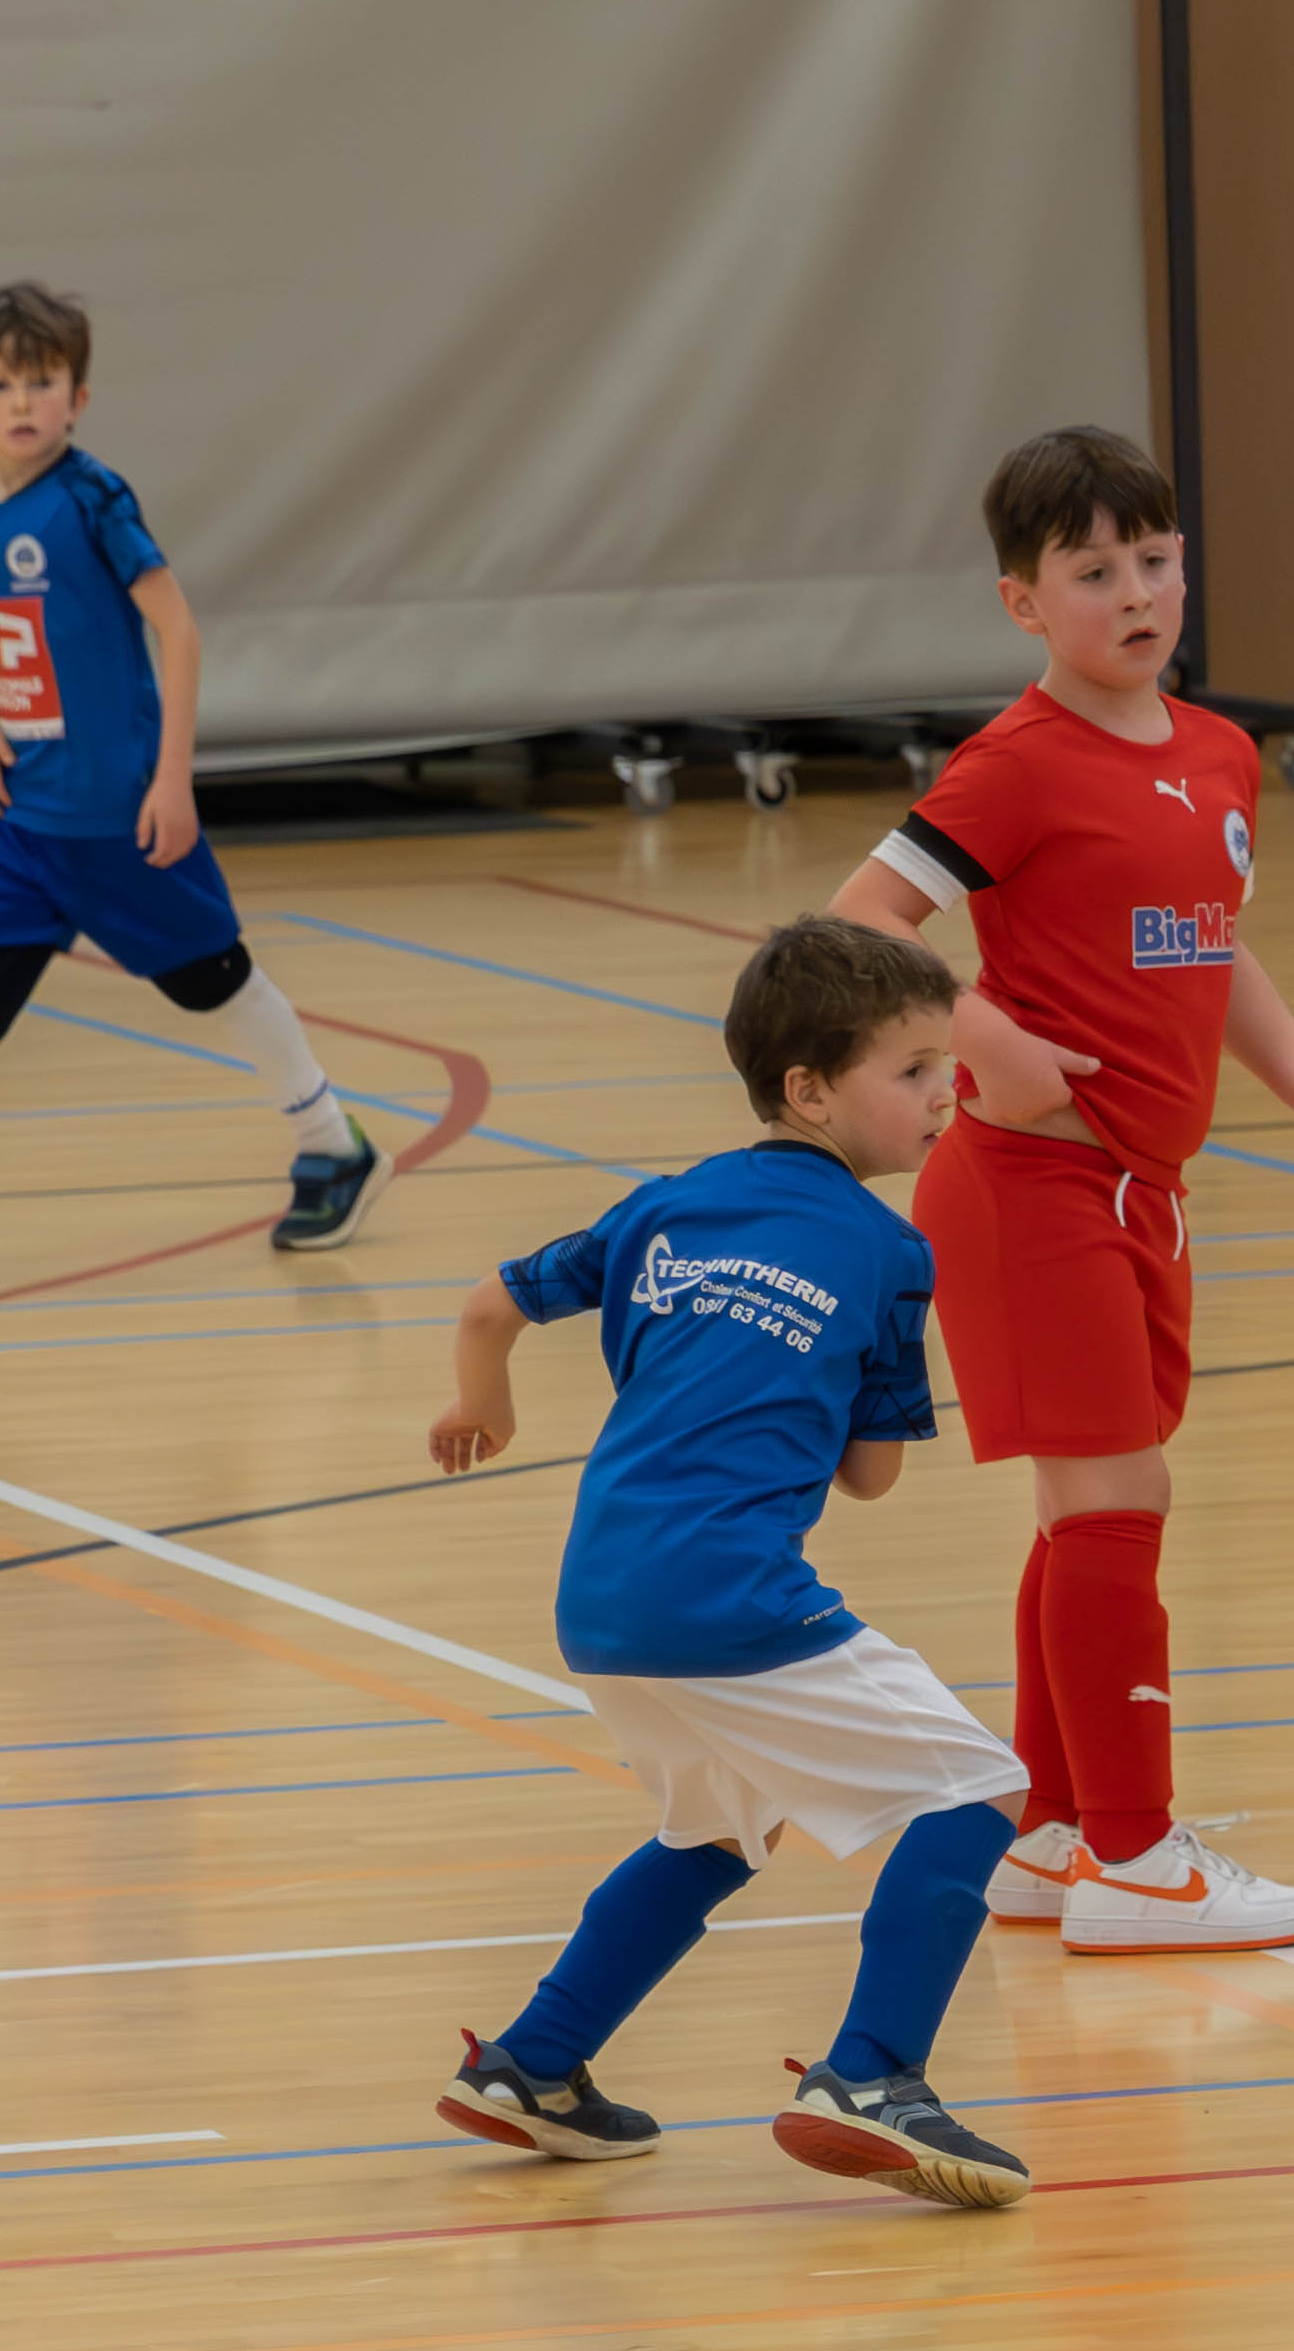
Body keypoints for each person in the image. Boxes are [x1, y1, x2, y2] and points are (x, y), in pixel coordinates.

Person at [818, 423, 1294, 1952]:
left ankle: (1052, 1835)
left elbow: (1212, 945)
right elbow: (858, 923)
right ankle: (1139, 1862)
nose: (1135, 592)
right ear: (1024, 602)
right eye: (1093, 572)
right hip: (1029, 1192)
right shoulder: (1016, 765)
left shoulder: (1216, 755)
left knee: (1082, 1506)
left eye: (1154, 560)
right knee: (1118, 1501)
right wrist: (981, 1034)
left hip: (1144, 1190)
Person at [422, 914, 1028, 2207]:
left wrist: (486, 1410)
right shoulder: (889, 1252)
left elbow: (488, 1304)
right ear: (810, 1090)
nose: (946, 1092)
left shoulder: (666, 1208)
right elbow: (870, 1477)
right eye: (914, 1070)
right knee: (977, 1789)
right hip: (729, 1599)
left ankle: (536, 2062)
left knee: (716, 1829)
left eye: (946, 1064)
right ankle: (874, 2073)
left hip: (603, 1598)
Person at [0, 280, 377, 1270]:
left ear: (78, 398)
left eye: (43, 382)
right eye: (0, 385)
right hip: (13, 823)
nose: (23, 402)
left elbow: (178, 631)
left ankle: (334, 1146)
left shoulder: (92, 499)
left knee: (213, 978)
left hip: (113, 817)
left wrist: (172, 780)